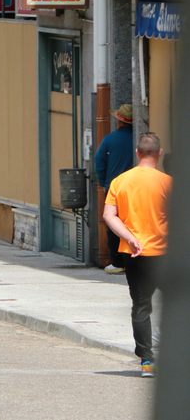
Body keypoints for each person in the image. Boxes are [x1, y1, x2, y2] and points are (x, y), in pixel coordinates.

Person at [103, 132, 171, 378]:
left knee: (141, 307)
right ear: (159, 153)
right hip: (166, 254)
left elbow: (109, 215)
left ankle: (146, 361)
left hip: (134, 255)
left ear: (137, 152)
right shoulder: (168, 183)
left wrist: (130, 237)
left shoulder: (120, 182)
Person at [94, 103, 135, 274]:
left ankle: (117, 262)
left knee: (113, 223)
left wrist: (104, 183)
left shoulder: (110, 139)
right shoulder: (137, 138)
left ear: (118, 121)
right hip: (135, 187)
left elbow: (99, 161)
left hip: (115, 187)